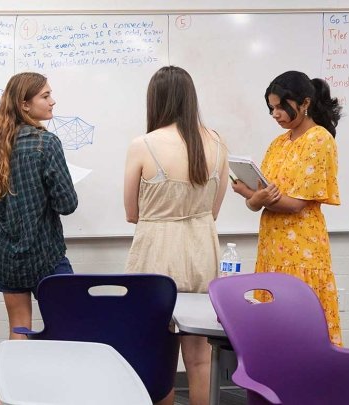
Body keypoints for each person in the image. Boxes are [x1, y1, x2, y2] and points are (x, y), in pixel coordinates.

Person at [124, 66, 229, 405]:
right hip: (201, 248)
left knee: (156, 354)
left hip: (156, 253)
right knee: (199, 357)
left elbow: (131, 213)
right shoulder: (216, 142)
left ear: (155, 100)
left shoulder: (143, 145)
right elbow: (213, 210)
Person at [231, 70, 342, 345]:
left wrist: (252, 195)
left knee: (302, 329)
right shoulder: (278, 144)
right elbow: (259, 200)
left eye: (281, 107)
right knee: (274, 329)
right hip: (272, 248)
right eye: (272, 108)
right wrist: (251, 196)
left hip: (302, 250)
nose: (276, 114)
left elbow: (295, 204)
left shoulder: (319, 139)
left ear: (305, 103)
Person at [0, 72, 78, 340]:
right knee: (66, 327)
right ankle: (56, 382)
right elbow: (67, 204)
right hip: (45, 253)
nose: (52, 101)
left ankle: (15, 382)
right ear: (24, 104)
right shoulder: (46, 143)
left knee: (18, 327)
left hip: (5, 256)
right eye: (45, 96)